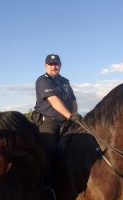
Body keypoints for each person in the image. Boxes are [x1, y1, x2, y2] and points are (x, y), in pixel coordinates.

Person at [33, 54, 80, 200]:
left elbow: (73, 100)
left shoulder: (65, 81)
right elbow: (53, 100)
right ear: (46, 66)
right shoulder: (42, 80)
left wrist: (74, 115)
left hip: (66, 122)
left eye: (56, 64)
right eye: (51, 64)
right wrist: (71, 116)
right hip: (49, 122)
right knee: (50, 153)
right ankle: (46, 188)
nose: (54, 66)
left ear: (60, 65)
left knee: (78, 148)